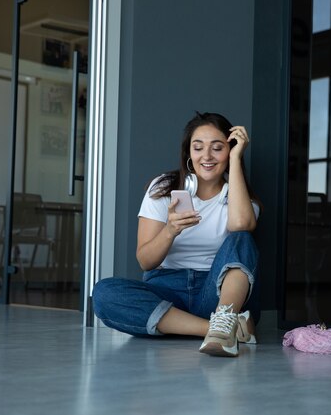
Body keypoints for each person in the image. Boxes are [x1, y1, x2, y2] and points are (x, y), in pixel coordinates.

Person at [92, 112, 261, 357]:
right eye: (198, 147)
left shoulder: (240, 198)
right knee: (104, 293)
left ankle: (224, 319)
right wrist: (170, 230)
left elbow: (241, 225)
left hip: (215, 294)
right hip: (167, 290)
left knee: (242, 238)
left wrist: (236, 159)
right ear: (188, 153)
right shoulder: (163, 188)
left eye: (218, 148)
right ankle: (222, 330)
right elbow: (145, 261)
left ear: (230, 149)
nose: (207, 156)